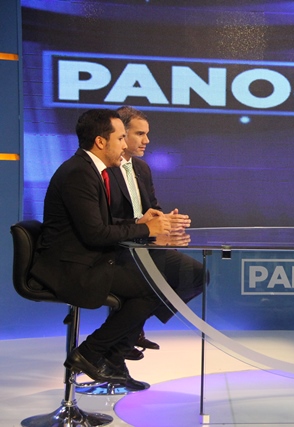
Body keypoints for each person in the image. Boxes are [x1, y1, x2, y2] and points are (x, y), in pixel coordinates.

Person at [30, 109, 172, 390]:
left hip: (83, 259)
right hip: (71, 268)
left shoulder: (89, 169)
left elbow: (101, 224)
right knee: (152, 287)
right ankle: (92, 352)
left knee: (157, 280)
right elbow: (95, 233)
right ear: (100, 142)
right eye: (120, 138)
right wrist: (146, 230)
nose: (124, 145)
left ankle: (106, 352)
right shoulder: (79, 173)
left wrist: (138, 223)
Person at [107, 106, 204, 360]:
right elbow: (104, 221)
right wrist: (146, 228)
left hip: (144, 244)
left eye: (147, 134)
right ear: (121, 134)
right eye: (139, 134)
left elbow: (153, 209)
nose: (147, 141)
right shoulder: (105, 169)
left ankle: (130, 327)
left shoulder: (141, 168)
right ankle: (124, 336)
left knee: (195, 275)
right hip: (118, 248)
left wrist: (168, 222)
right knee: (150, 282)